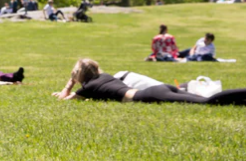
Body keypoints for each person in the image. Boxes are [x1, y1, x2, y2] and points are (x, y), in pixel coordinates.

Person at [53, 58, 246, 105]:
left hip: (149, 95)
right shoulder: (104, 77)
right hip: (159, 88)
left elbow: (66, 100)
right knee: (207, 98)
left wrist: (69, 85)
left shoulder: (89, 87)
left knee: (206, 102)